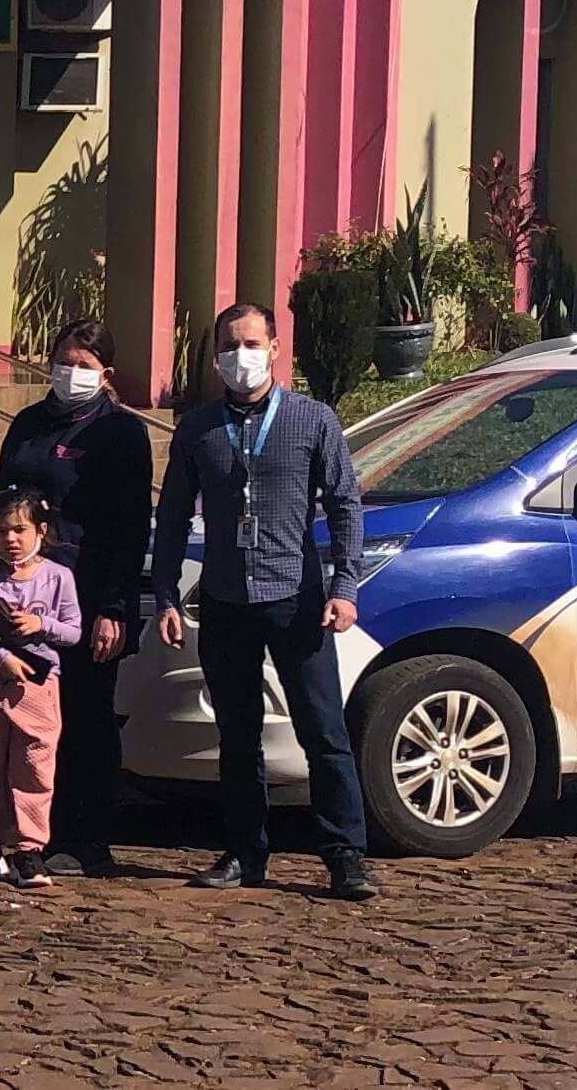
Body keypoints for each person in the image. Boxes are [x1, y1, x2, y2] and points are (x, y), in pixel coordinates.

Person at [148, 302, 379, 902]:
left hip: (296, 598)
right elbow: (172, 516)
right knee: (238, 734)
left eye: (252, 344)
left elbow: (345, 505)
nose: (240, 356)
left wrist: (344, 587)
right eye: (230, 346)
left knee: (322, 730)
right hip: (226, 600)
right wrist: (167, 594)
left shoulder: (312, 419)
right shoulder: (199, 429)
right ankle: (244, 852)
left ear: (275, 348)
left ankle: (345, 856)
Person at [0, 320, 154, 876]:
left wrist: (115, 608)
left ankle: (87, 839)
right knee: (25, 717)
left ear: (105, 374)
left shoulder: (121, 432)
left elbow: (131, 526)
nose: (71, 372)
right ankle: (28, 833)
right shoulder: (28, 424)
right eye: (64, 361)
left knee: (85, 716)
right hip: (21, 595)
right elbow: (1, 504)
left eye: (84, 365)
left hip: (85, 597)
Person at [0, 489, 80, 888]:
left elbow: (73, 631)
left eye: (19, 530)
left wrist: (42, 625)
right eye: (1, 531)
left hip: (37, 688)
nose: (11, 539)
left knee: (34, 766)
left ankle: (29, 850)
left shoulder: (58, 577)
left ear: (41, 530)